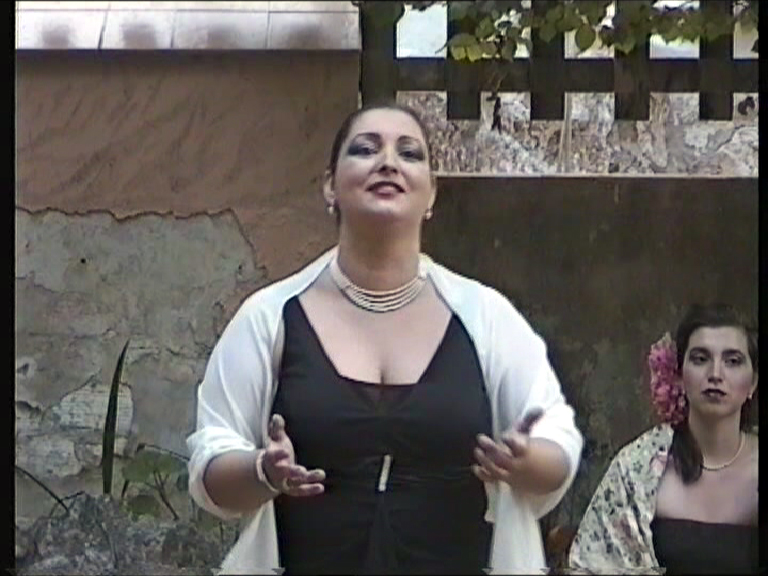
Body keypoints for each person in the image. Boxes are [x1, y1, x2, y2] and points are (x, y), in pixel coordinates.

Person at [186, 102, 583, 575]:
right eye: (365, 149)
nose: (388, 162)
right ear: (330, 185)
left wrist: (525, 461)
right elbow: (211, 467)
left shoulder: (486, 317)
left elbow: (557, 447)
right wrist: (262, 471)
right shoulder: (269, 317)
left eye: (409, 153)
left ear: (431, 194)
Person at [568, 303, 759, 574]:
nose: (715, 374)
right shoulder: (636, 469)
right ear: (678, 375)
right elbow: (591, 566)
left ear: (753, 383)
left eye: (733, 361)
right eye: (700, 359)